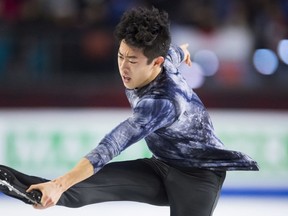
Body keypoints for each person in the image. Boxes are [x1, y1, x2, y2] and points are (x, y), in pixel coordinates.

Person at [0, 7, 258, 216]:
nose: (124, 67)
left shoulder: (161, 102)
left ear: (155, 63)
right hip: (162, 166)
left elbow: (112, 144)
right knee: (80, 190)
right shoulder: (164, 56)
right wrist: (185, 52)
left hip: (198, 177)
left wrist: (60, 184)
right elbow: (175, 52)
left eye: (132, 61)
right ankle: (20, 186)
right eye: (121, 56)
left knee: (66, 185)